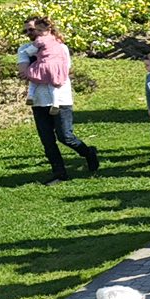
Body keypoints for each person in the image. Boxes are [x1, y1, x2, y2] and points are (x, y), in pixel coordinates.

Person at [18, 16, 100, 184]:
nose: (28, 33)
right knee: (47, 140)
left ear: (44, 29)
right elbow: (23, 71)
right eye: (25, 30)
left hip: (60, 98)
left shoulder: (60, 47)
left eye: (31, 29)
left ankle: (88, 152)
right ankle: (59, 173)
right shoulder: (24, 49)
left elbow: (64, 69)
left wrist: (42, 71)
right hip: (39, 101)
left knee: (65, 136)